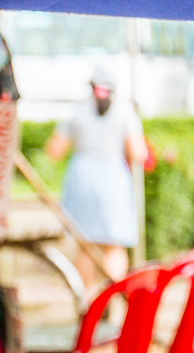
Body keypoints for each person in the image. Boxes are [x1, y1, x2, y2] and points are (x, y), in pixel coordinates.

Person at [48, 66, 146, 287]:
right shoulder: (126, 114)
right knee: (115, 244)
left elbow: (54, 150)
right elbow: (138, 153)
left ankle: (88, 300)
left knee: (86, 245)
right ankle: (111, 294)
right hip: (114, 181)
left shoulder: (77, 113)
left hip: (82, 179)